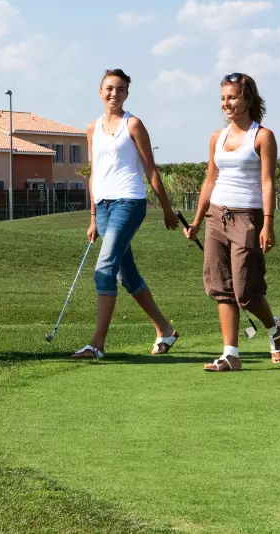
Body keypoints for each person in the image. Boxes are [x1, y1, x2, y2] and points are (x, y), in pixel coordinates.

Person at [72, 69, 181, 359]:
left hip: (129, 202)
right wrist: (93, 217)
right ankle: (165, 329)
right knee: (125, 273)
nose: (114, 94)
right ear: (100, 91)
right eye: (109, 88)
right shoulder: (92, 128)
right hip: (105, 206)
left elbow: (151, 169)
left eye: (120, 90)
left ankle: (97, 344)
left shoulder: (133, 124)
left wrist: (167, 210)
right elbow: (94, 173)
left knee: (104, 268)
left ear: (126, 94)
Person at [184, 73, 280, 372]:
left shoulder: (262, 136)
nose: (226, 103)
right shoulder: (217, 137)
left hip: (248, 215)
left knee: (245, 290)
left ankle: (275, 327)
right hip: (217, 214)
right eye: (223, 98)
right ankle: (231, 353)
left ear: (248, 99)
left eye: (232, 97)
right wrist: (196, 220)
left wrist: (268, 223)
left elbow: (268, 183)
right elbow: (210, 179)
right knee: (221, 285)